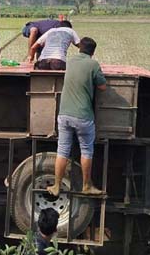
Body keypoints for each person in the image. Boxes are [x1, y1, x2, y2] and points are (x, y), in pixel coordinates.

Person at [47, 37, 107, 196]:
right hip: (83, 116)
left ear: (79, 48)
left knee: (62, 151)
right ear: (93, 52)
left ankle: (56, 185)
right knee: (86, 151)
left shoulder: (71, 61)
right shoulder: (93, 64)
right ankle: (86, 186)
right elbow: (102, 86)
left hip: (64, 114)